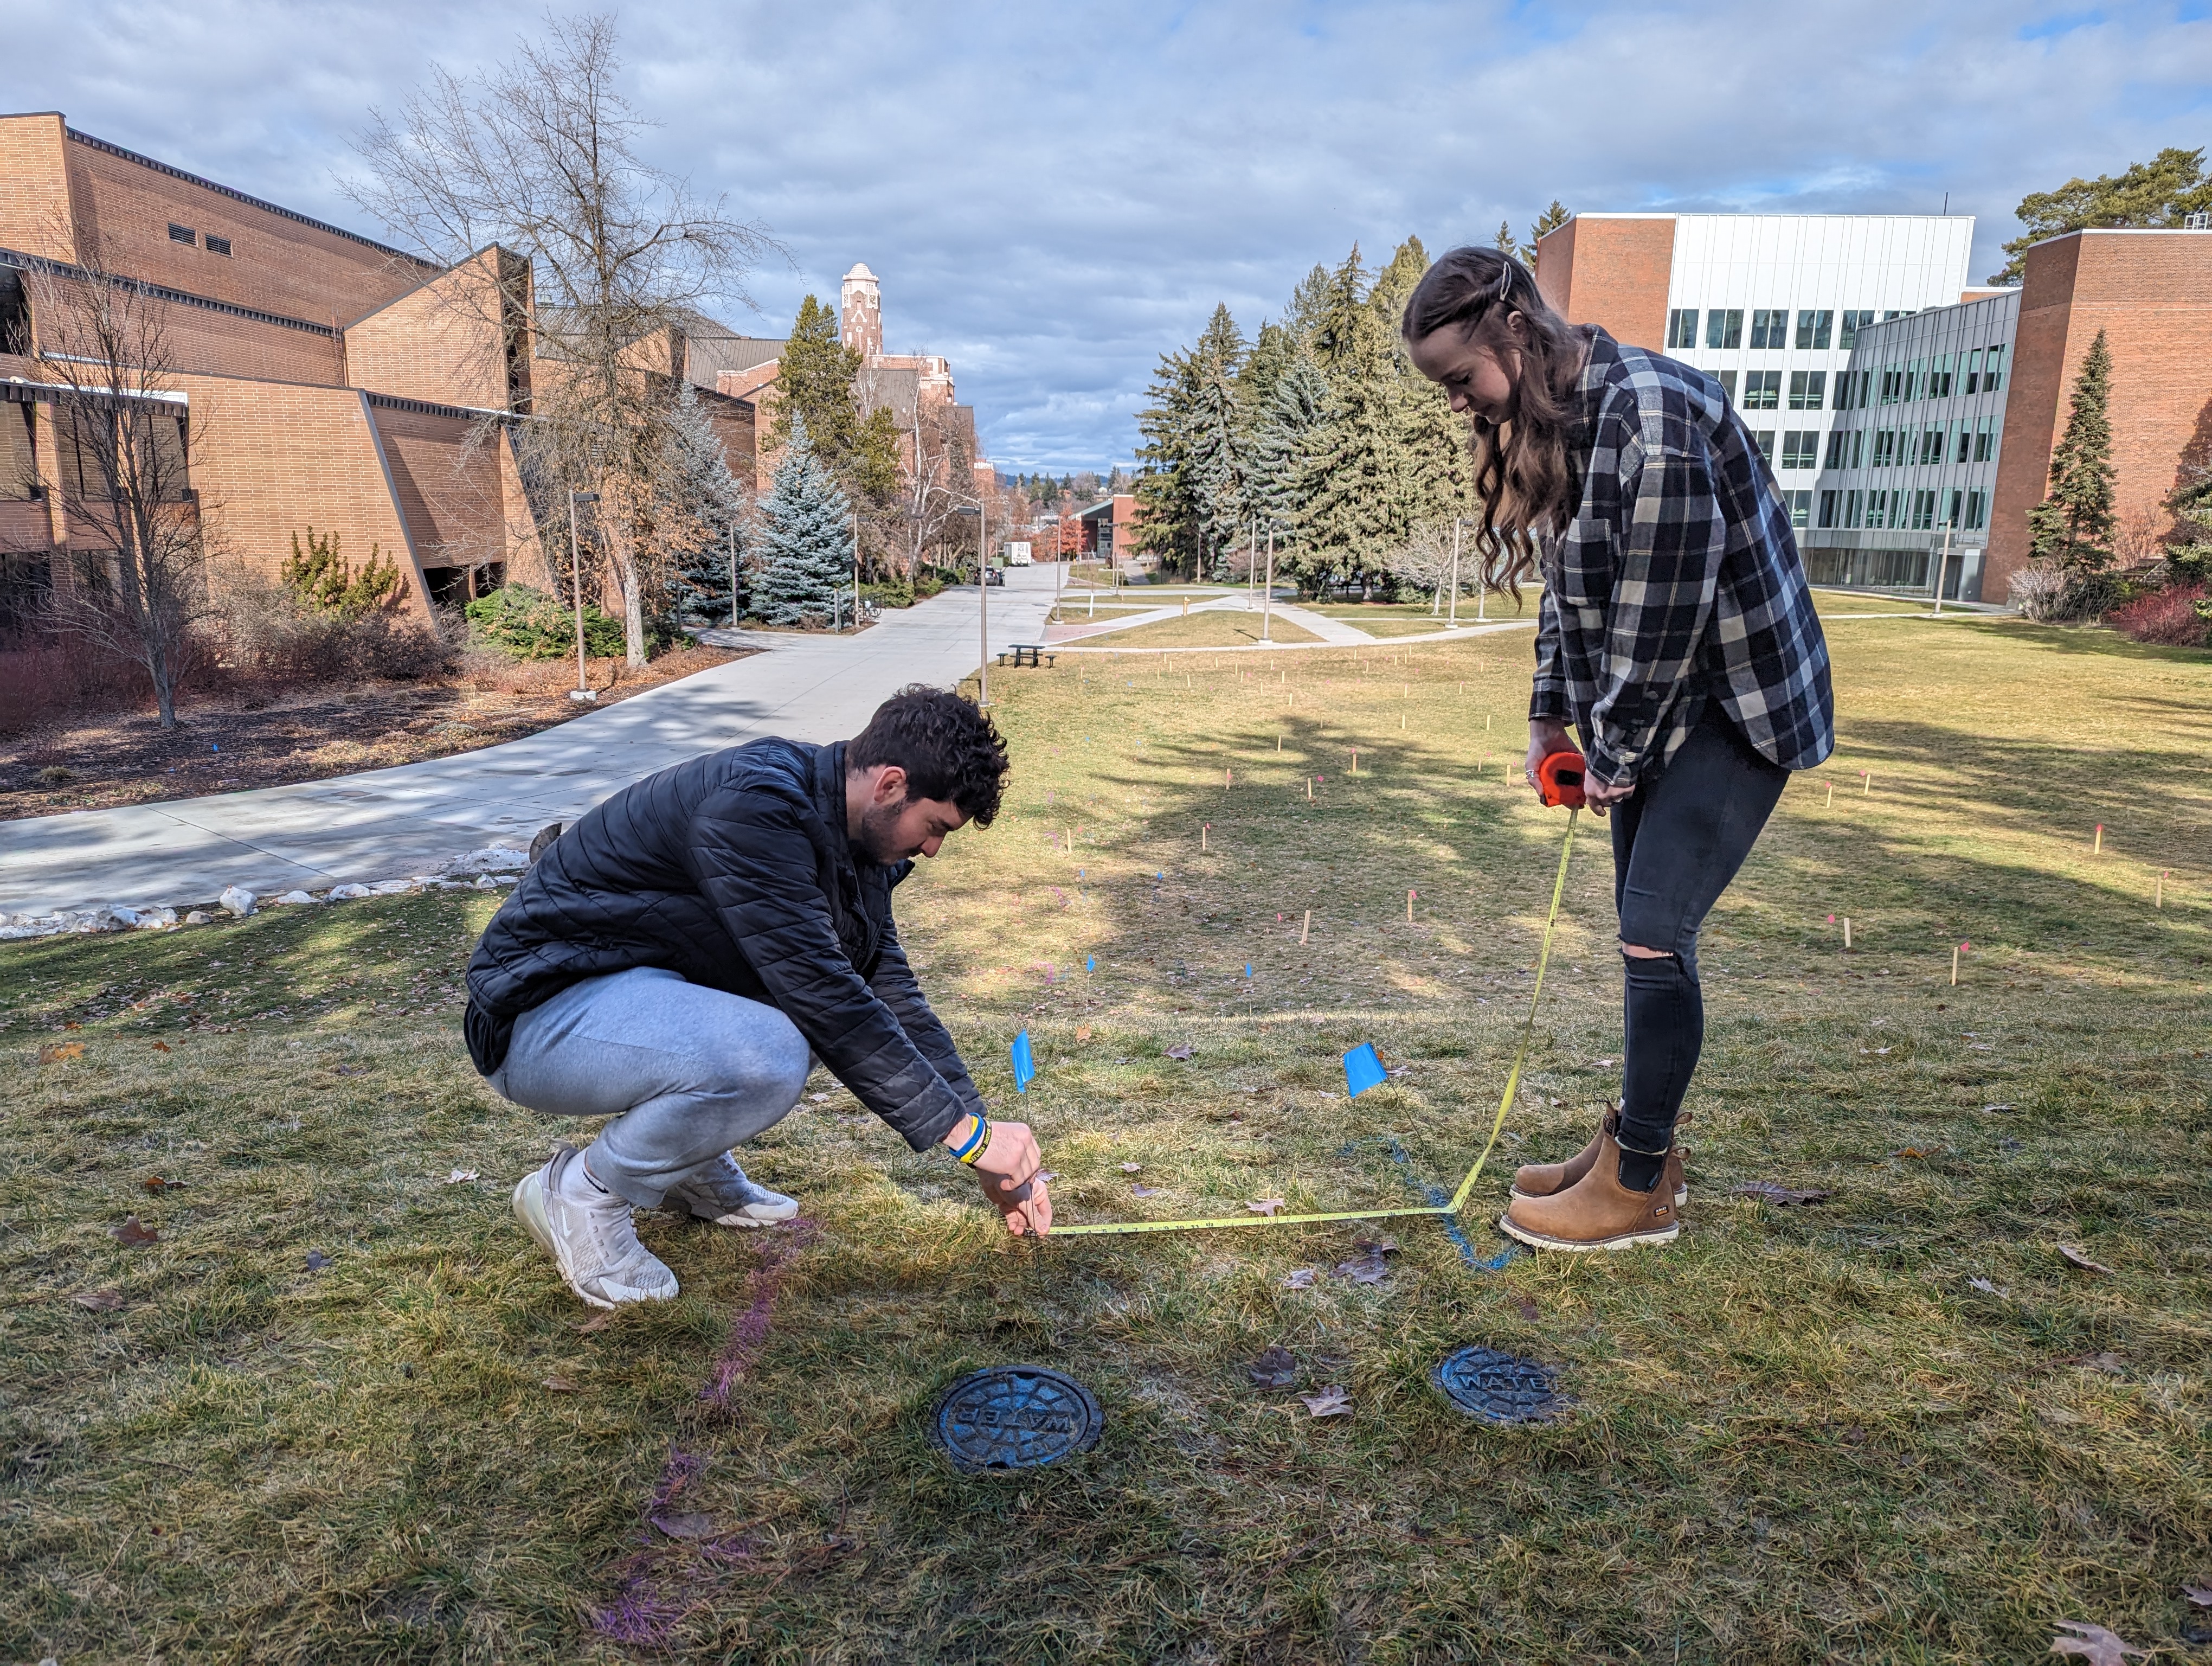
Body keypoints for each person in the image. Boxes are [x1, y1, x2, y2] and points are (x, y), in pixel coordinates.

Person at [1404, 247, 1834, 1252]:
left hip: (1739, 705)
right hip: (1661, 706)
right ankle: (1631, 1150)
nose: (1462, 406)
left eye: (1462, 380)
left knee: (1653, 932)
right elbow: (1572, 590)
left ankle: (1639, 1187)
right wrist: (1549, 719)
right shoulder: (1561, 423)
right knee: (1642, 934)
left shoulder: (1650, 418)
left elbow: (1658, 620)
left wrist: (1618, 751)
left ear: (1514, 327)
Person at [462, 685, 1050, 1309]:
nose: (932, 849)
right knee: (772, 1049)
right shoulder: (756, 807)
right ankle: (582, 1194)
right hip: (534, 1020)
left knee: (812, 1018)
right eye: (934, 827)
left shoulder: (856, 841)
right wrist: (969, 1138)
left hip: (633, 998)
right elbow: (827, 999)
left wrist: (983, 1135)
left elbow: (884, 990)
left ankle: (688, 1165)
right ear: (890, 785)